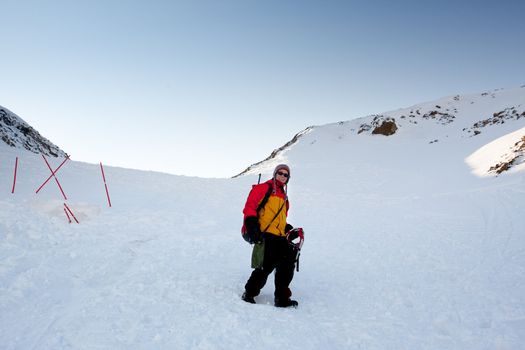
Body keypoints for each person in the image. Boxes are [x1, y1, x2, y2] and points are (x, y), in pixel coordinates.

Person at [241, 164, 299, 308]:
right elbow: (250, 208)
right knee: (265, 266)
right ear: (274, 174)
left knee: (287, 264)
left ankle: (282, 298)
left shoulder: (285, 198)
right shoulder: (262, 189)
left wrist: (289, 230)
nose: (283, 176)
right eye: (280, 173)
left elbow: (280, 220)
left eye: (286, 175)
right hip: (265, 234)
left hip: (279, 236)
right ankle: (249, 294)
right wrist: (252, 226)